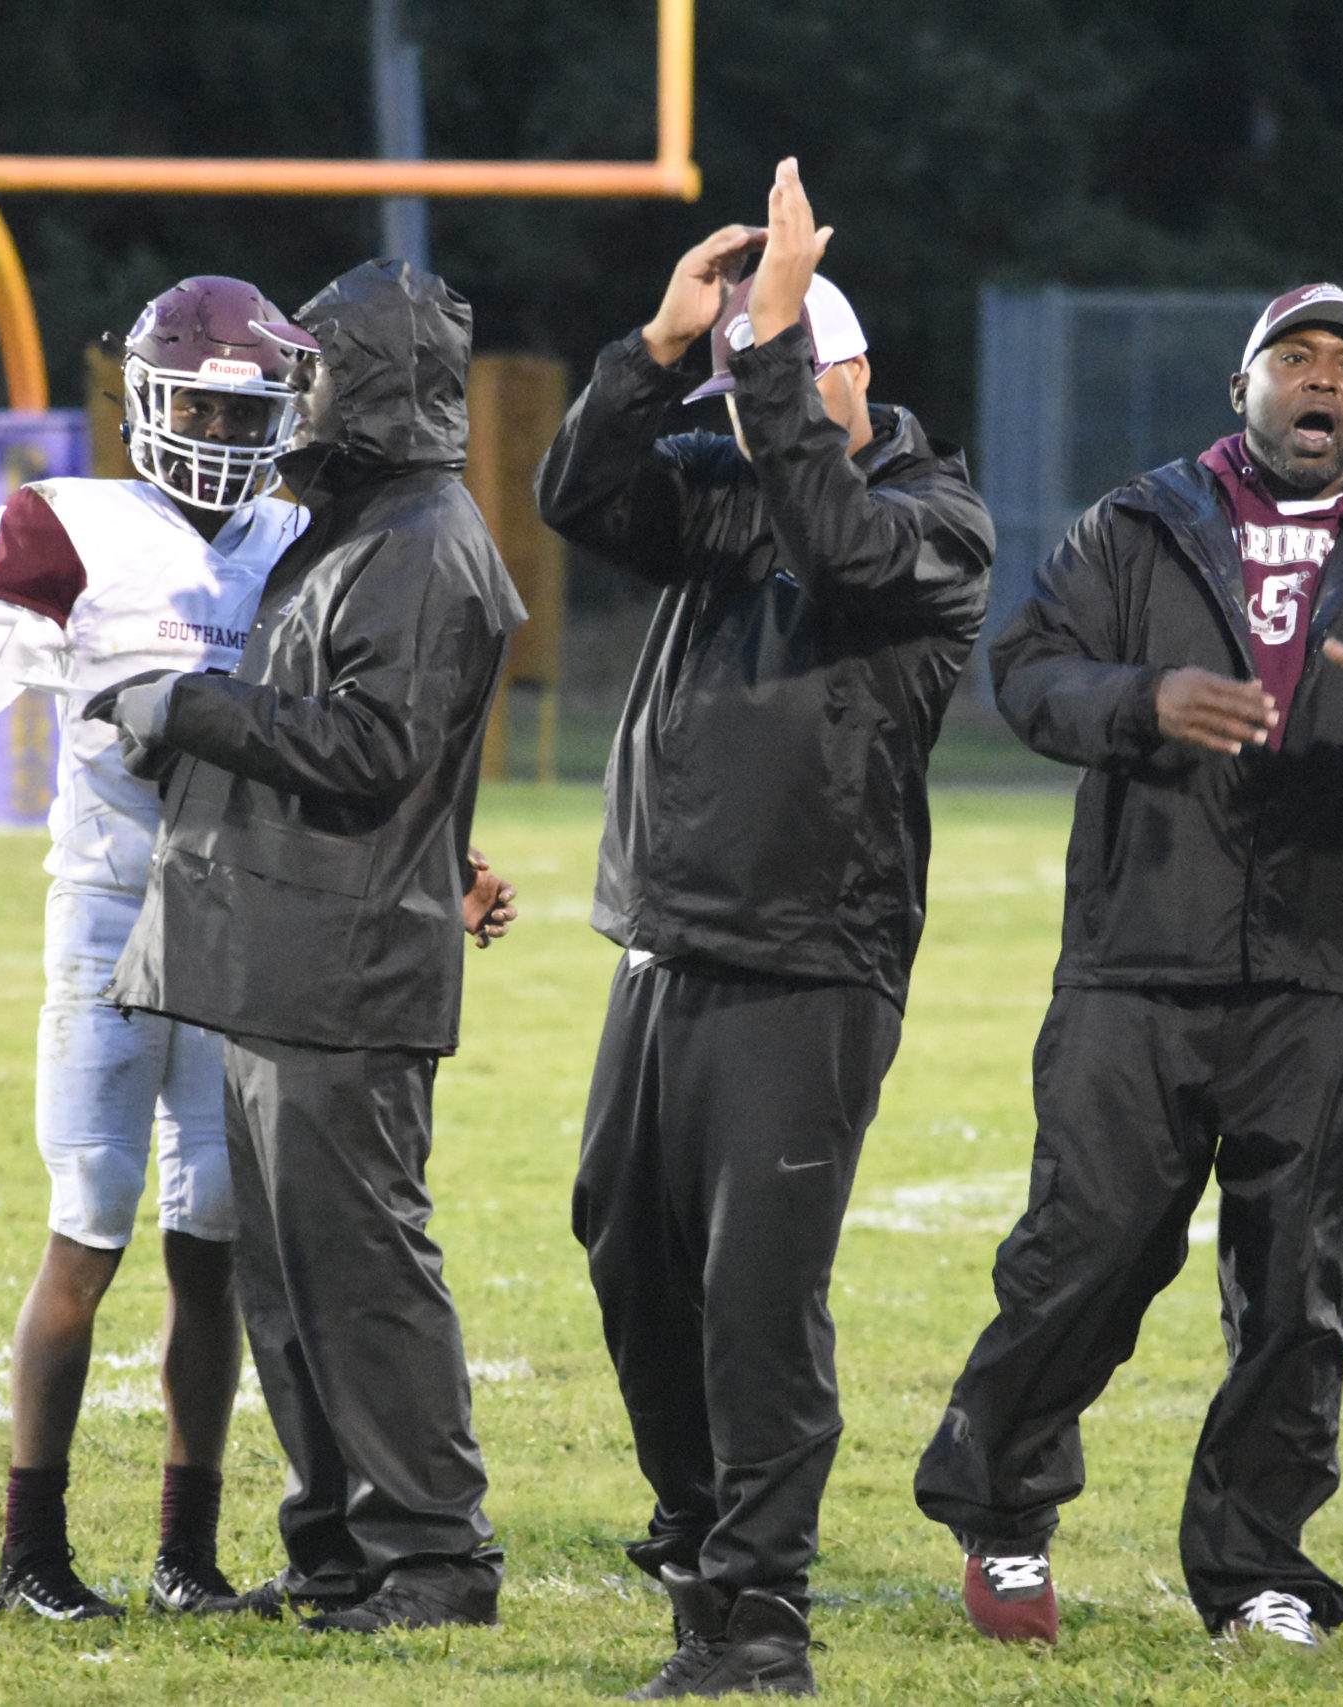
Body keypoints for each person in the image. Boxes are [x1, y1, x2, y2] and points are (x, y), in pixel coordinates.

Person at [0, 275, 516, 1624]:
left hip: (248, 921)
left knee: (214, 1242)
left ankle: (188, 1549)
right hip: (111, 915)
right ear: (146, 401)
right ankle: (32, 1552)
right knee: (91, 1219)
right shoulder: (73, 521)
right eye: (200, 399)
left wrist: (442, 862)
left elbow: (351, 726)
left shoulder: (301, 527)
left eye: (246, 402)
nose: (224, 427)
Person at [911, 283, 1343, 1650]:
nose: (1324, 384)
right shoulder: (1137, 524)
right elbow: (1025, 671)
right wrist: (1142, 702)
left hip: (1325, 970)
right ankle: (1005, 1515)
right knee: (1085, 1255)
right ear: (1243, 388)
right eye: (1296, 360)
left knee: (1296, 1290)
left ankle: (1257, 1568)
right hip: (1137, 958)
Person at [535, 158, 992, 1698]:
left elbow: (838, 534)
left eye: (774, 378)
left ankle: (758, 1624)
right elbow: (579, 494)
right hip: (668, 941)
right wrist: (663, 350)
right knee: (628, 1256)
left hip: (812, 960)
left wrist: (773, 345)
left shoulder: (940, 519)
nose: (739, 420)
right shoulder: (738, 476)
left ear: (843, 368)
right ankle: (695, 1523)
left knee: (756, 1299)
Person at [89, 258, 525, 1634]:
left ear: (377, 385)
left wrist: (186, 710)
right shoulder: (360, 526)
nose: (293, 395)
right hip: (291, 960)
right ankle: (341, 1553)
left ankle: (434, 1562)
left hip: (347, 971)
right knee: (289, 1287)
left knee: (363, 1283)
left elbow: (373, 752)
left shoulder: (420, 539)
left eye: (317, 368)